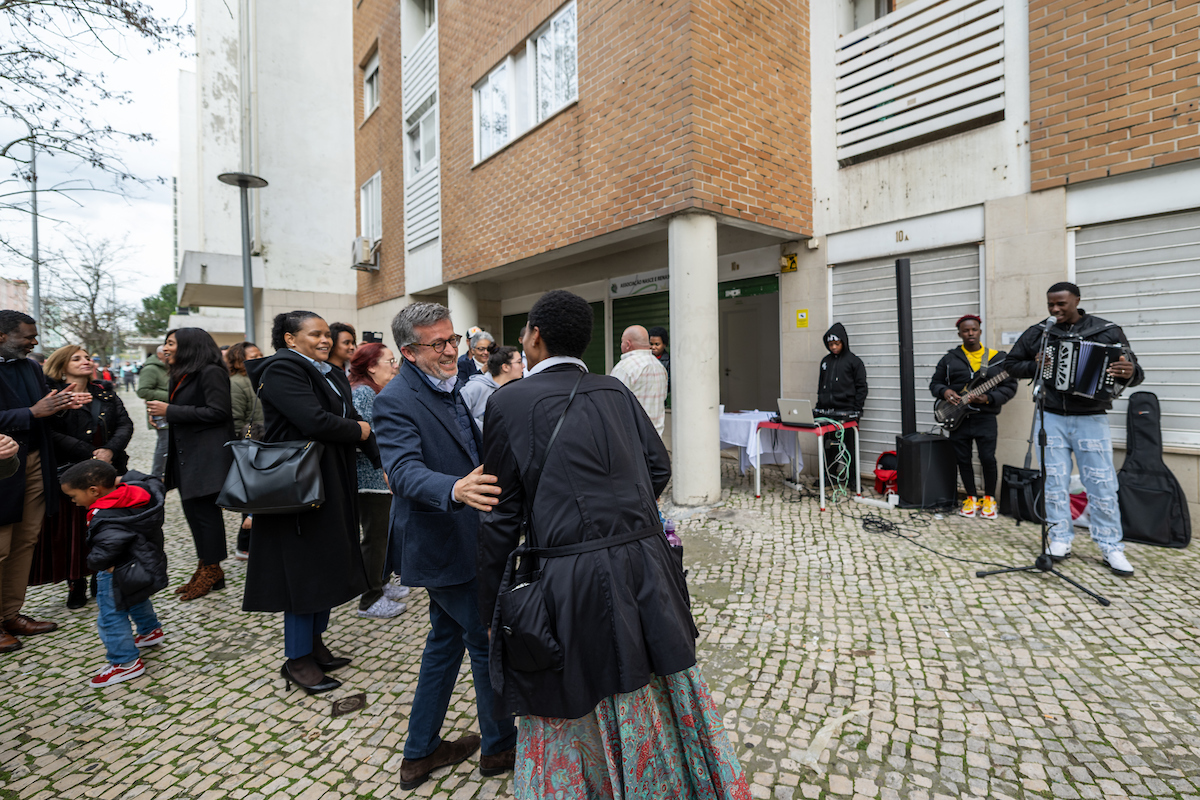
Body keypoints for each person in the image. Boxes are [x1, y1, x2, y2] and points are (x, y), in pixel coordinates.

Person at [478, 291, 750, 799]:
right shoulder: (614, 391)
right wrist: (623, 514)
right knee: (651, 680)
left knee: (575, 689)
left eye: (523, 333)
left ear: (535, 336)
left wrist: (490, 604)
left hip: (568, 576)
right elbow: (658, 467)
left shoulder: (507, 402)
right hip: (644, 562)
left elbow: (500, 515)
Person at [372, 302, 517, 789]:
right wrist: (454, 488)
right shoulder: (395, 400)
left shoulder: (449, 384)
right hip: (440, 544)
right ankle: (498, 748)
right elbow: (404, 470)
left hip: (466, 537)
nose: (451, 350)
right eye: (439, 344)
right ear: (408, 352)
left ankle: (420, 753)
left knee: (443, 642)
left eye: (452, 339)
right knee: (483, 640)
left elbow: (472, 450)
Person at [242, 311, 379, 695]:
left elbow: (347, 416)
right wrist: (360, 430)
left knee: (325, 564)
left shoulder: (328, 371)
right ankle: (297, 659)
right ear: (289, 339)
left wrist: (379, 459)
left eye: (326, 334)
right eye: (314, 334)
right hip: (297, 486)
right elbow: (313, 420)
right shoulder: (283, 369)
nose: (325, 340)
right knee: (303, 571)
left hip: (331, 478)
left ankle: (315, 644)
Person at [1004, 282, 1143, 576]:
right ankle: (1059, 539)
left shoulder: (1106, 330)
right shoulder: (1040, 332)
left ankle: (1111, 547)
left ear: (1077, 301)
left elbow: (1135, 371)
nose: (1055, 310)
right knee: (1054, 482)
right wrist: (1036, 365)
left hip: (1091, 417)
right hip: (1050, 415)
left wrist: (1130, 372)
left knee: (1102, 484)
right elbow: (1012, 364)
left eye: (1061, 305)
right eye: (1050, 305)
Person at [32, 345, 133, 609]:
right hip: (68, 471)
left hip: (108, 470)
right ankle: (75, 580)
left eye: (87, 357)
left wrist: (110, 450)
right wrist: (88, 453)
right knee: (73, 529)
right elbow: (49, 432)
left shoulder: (105, 392)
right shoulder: (51, 395)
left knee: (105, 525)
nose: (85, 361)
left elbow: (125, 424)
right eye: (76, 358)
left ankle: (100, 577)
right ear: (62, 365)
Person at [0, 310, 74, 653]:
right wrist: (32, 413)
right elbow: (32, 411)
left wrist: (62, 404)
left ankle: (10, 614)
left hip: (33, 464)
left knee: (26, 540)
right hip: (2, 469)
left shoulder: (31, 367)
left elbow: (44, 408)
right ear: (2, 336)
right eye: (28, 336)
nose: (35, 341)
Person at [60, 460, 168, 688]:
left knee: (110, 615)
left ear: (93, 491)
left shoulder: (106, 516)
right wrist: (118, 478)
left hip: (115, 570)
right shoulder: (140, 493)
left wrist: (94, 562)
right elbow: (150, 479)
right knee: (136, 597)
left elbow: (106, 549)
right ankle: (150, 631)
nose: (73, 501)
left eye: (74, 495)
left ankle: (125, 663)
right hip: (139, 562)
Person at [145, 328, 234, 601]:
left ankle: (212, 568)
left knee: (206, 517)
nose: (166, 348)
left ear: (189, 346)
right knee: (194, 514)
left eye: (171, 343)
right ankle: (206, 566)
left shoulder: (211, 372)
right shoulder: (181, 373)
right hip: (186, 457)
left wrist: (169, 411)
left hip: (206, 458)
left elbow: (219, 411)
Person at [930, 315, 1017, 519]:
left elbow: (1010, 387)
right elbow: (935, 383)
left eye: (974, 330)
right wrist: (944, 392)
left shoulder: (997, 358)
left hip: (985, 418)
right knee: (963, 459)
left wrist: (988, 398)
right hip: (957, 419)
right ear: (959, 333)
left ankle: (988, 499)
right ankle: (970, 498)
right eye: (966, 330)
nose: (970, 333)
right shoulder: (949, 359)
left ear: (980, 331)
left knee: (987, 458)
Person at [347, 341, 409, 619]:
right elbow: (365, 437)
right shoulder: (362, 393)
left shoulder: (372, 390)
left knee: (383, 537)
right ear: (371, 366)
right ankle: (369, 599)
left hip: (380, 476)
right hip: (370, 480)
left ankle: (381, 584)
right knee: (374, 539)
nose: (395, 366)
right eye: (389, 361)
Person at [225, 341, 264, 561]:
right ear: (239, 359)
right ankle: (244, 545)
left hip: (267, 443)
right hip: (252, 446)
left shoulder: (262, 378)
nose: (259, 357)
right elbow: (236, 420)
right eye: (253, 355)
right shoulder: (237, 383)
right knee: (252, 497)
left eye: (260, 354)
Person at [816, 322, 868, 486]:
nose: (833, 347)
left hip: (847, 412)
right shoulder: (825, 362)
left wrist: (856, 409)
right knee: (828, 447)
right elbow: (821, 386)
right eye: (830, 344)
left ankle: (853, 480)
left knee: (849, 447)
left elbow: (862, 387)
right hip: (827, 413)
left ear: (843, 342)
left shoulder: (854, 362)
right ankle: (828, 477)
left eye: (836, 343)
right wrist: (819, 407)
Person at [610, 324, 668, 437]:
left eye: (622, 342)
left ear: (627, 344)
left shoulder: (624, 368)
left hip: (632, 441)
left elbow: (613, 407)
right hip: (656, 440)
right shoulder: (659, 367)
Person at [460, 345, 522, 432]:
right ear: (505, 367)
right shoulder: (475, 387)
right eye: (519, 362)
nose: (523, 366)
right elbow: (457, 416)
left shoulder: (512, 391)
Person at [137, 345, 171, 480]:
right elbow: (143, 391)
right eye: (166, 352)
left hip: (169, 410)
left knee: (166, 443)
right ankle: (157, 475)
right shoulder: (151, 369)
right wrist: (171, 395)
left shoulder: (168, 367)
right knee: (164, 444)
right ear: (160, 354)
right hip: (159, 412)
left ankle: (163, 473)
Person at [648, 324, 671, 391]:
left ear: (664, 344)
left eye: (657, 344)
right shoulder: (645, 359)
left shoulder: (669, 361)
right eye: (651, 344)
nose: (653, 347)